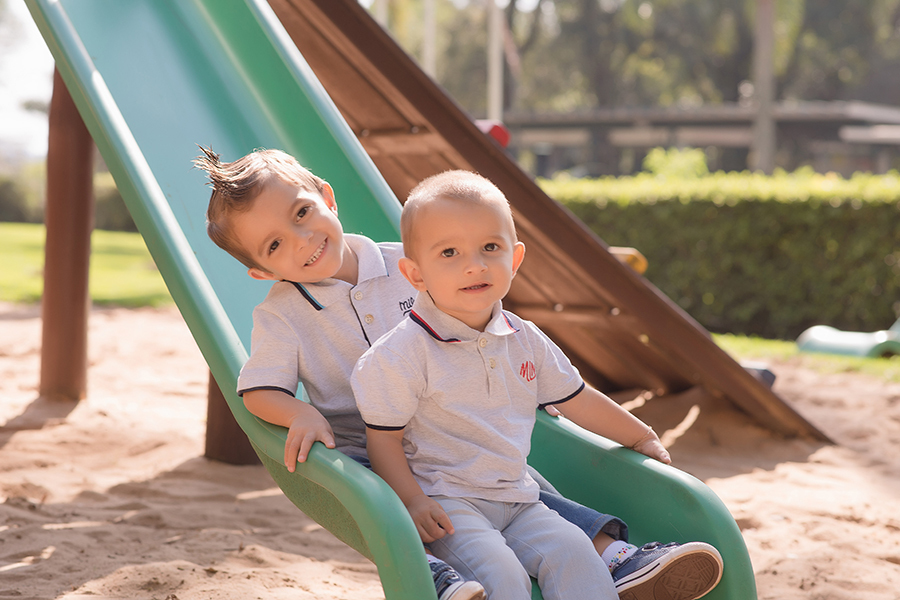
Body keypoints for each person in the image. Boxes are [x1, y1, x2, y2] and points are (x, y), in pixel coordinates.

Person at [194, 148, 721, 599]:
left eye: (302, 213)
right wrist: (299, 411)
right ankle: (432, 569)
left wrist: (521, 377)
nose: (301, 239)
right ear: (261, 270)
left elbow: (480, 321)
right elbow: (259, 390)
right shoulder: (282, 314)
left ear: (327, 198)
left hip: (447, 424)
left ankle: (606, 554)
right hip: (365, 442)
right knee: (391, 502)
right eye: (275, 245)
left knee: (511, 477)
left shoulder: (413, 263)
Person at [350, 170, 724, 600]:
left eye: (491, 247)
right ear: (415, 275)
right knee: (503, 577)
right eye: (449, 252)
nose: (475, 264)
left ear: (516, 258)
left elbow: (578, 399)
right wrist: (413, 501)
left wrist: (639, 435)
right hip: (448, 502)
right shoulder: (402, 354)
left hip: (518, 497)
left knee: (577, 554)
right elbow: (383, 440)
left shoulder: (524, 337)